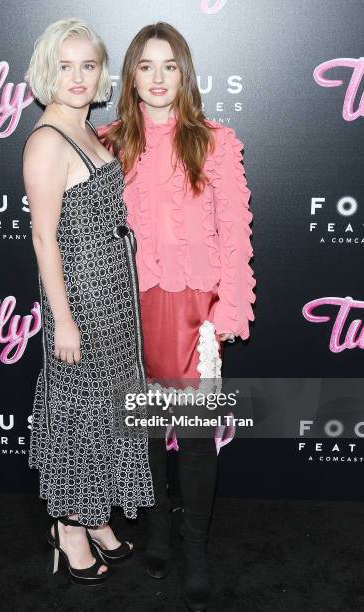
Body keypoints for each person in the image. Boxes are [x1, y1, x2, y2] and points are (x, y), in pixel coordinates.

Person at [99, 22, 256, 611]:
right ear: (131, 74)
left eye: (170, 66)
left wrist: (230, 308)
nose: (159, 78)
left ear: (184, 73)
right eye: (146, 65)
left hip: (194, 311)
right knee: (141, 436)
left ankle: (195, 549)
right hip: (129, 311)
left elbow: (236, 236)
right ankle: (157, 533)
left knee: (192, 439)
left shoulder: (215, 141)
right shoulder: (108, 143)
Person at [22, 18, 154, 587]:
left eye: (89, 65)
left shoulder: (89, 131)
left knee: (108, 413)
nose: (78, 77)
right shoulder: (47, 139)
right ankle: (70, 527)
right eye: (66, 65)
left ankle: (98, 516)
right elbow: (44, 237)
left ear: (101, 72)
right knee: (79, 416)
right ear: (47, 71)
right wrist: (65, 322)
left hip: (114, 299)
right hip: (79, 300)